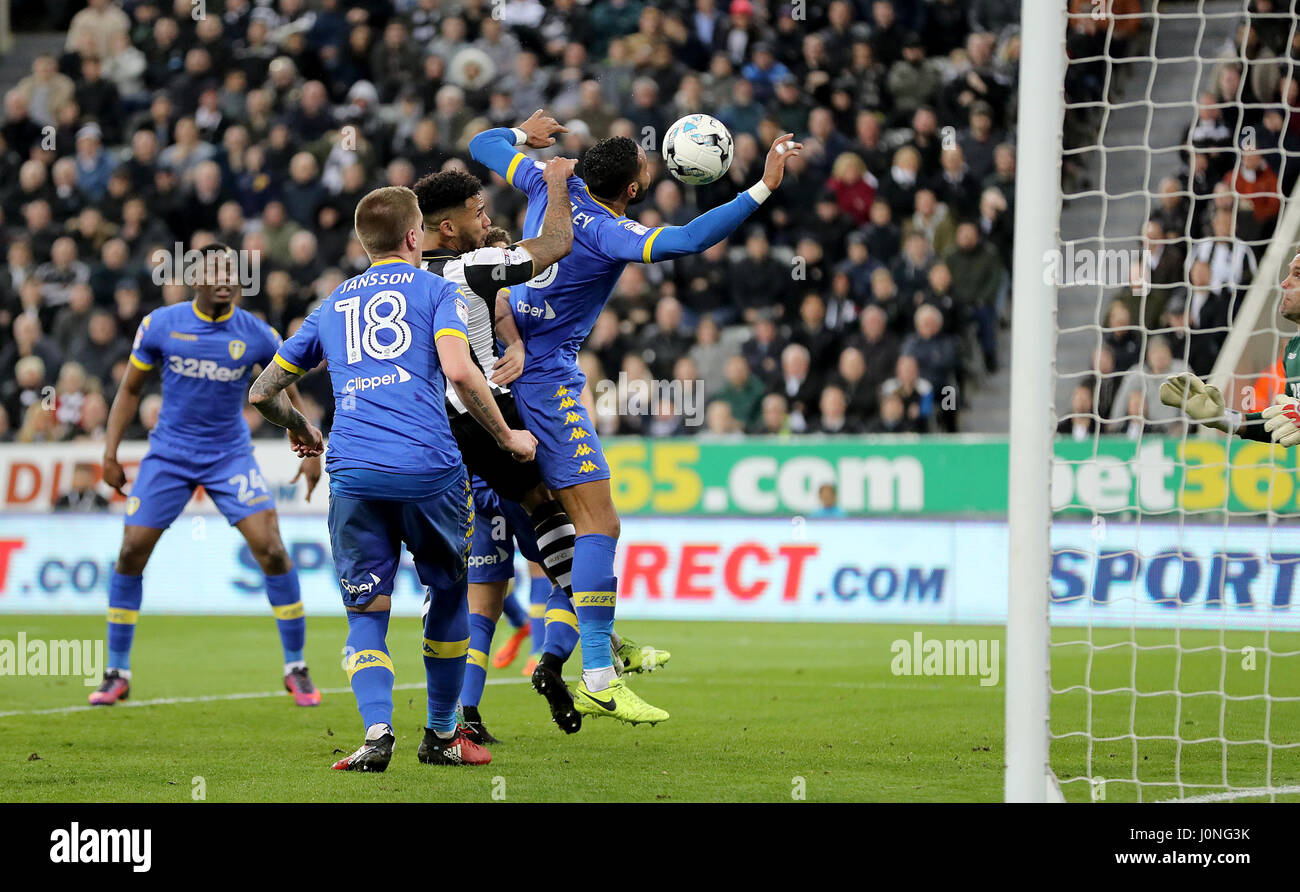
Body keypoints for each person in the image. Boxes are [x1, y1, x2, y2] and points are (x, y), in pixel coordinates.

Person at [470, 109, 802, 725]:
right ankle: (597, 672)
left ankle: (602, 651)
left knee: (559, 526)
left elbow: (480, 142)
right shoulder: (607, 233)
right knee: (600, 525)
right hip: (546, 383)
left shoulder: (548, 182)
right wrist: (763, 186)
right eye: (646, 166)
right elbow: (688, 240)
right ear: (631, 187)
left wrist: (524, 135)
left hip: (507, 365)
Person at [248, 185, 537, 771]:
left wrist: (303, 426)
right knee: (450, 594)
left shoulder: (330, 305)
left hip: (352, 473)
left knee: (366, 613)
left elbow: (261, 392)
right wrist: (508, 437)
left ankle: (378, 733)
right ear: (414, 237)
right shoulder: (437, 289)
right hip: (428, 470)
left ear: (362, 241)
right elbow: (459, 370)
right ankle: (439, 734)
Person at [409, 203, 668, 738]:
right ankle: (592, 655)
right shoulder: (478, 279)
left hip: (458, 465)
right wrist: (552, 178)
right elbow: (548, 252)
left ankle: (464, 715)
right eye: (476, 213)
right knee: (565, 542)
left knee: (479, 602)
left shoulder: (419, 284)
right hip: (499, 439)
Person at [93, 243, 324, 707]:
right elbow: (130, 390)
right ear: (194, 278)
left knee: (273, 550)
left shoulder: (258, 333)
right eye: (215, 271)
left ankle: (295, 666)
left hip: (229, 457)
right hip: (169, 455)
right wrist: (111, 452)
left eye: (232, 272)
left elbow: (288, 388)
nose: (226, 279)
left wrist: (309, 450)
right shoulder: (160, 325)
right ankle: (116, 672)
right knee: (130, 551)